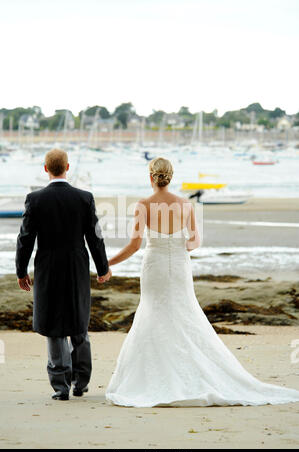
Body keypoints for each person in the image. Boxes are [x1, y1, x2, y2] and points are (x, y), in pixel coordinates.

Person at [105, 157, 299, 407]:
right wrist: (181, 245)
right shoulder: (186, 204)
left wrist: (107, 264)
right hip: (179, 266)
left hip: (154, 266)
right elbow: (196, 241)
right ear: (170, 176)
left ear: (150, 177)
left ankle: (157, 375)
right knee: (184, 313)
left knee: (154, 313)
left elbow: (134, 245)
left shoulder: (143, 205)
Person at [16, 148, 111, 401]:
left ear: (45, 168)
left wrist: (21, 270)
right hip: (76, 266)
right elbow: (95, 237)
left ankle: (61, 387)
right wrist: (103, 268)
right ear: (67, 167)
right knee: (79, 321)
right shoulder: (84, 197)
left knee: (53, 325)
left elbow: (25, 239)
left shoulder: (34, 199)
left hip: (47, 266)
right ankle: (81, 382)